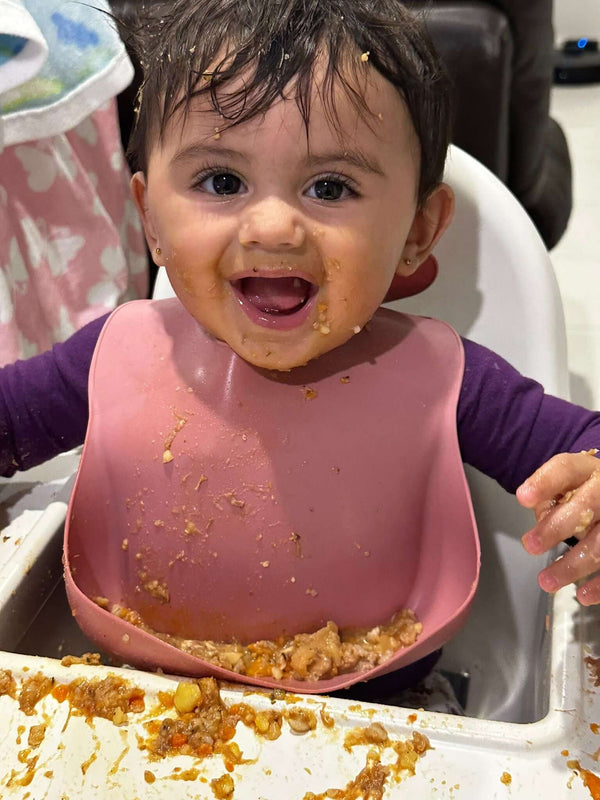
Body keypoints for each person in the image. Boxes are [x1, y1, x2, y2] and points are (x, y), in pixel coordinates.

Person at [1, 0, 600, 693]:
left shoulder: (449, 381)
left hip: (392, 726)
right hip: (140, 717)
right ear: (151, 221)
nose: (274, 227)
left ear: (417, 231)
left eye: (330, 187)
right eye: (221, 182)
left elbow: (581, 447)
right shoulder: (113, 357)